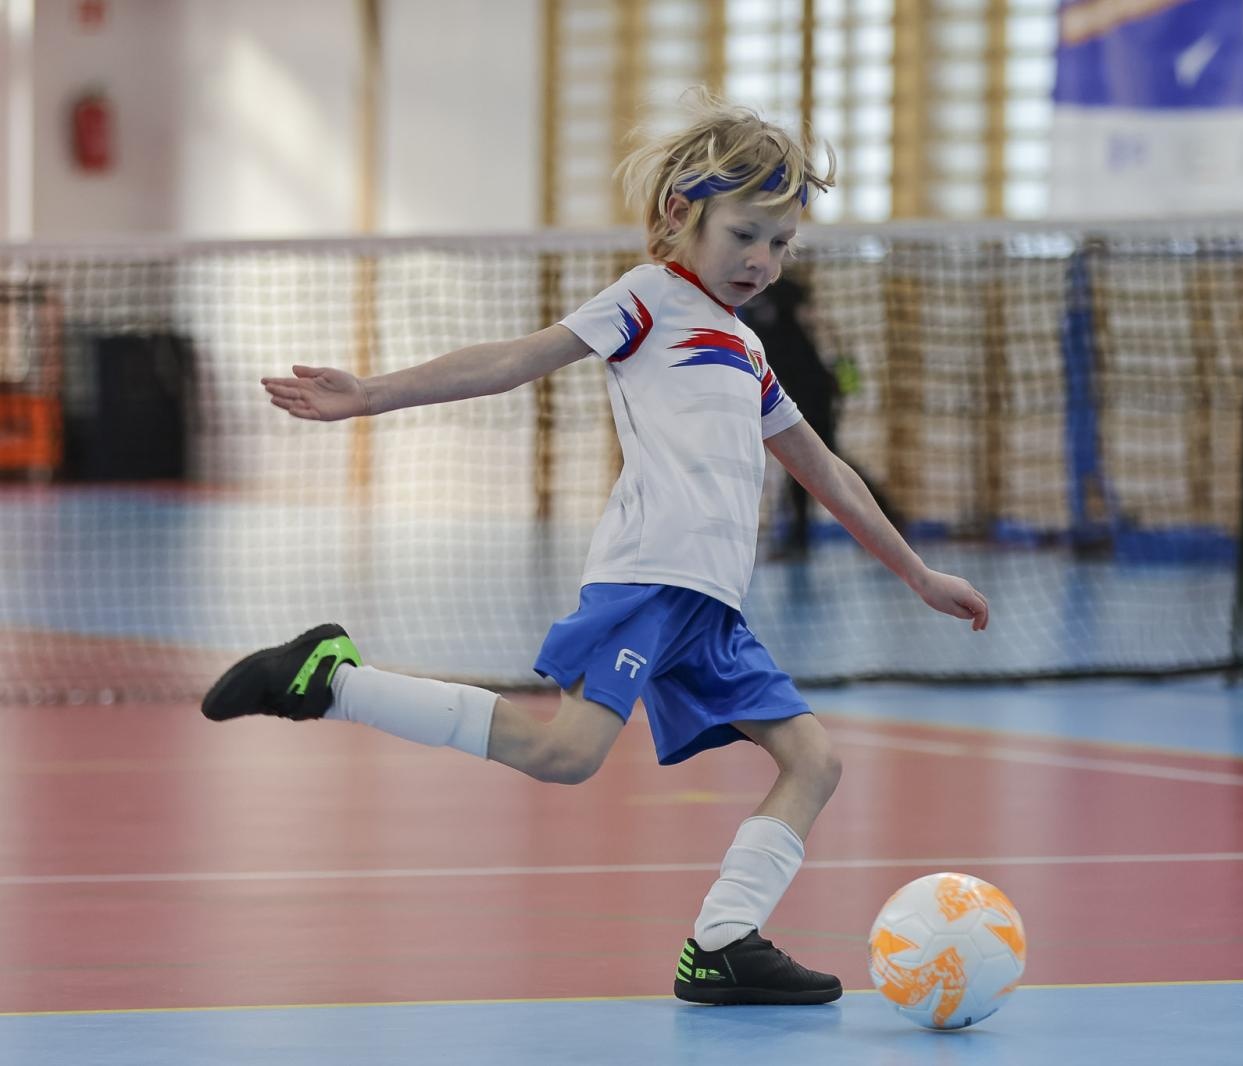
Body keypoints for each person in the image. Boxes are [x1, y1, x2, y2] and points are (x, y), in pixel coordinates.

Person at [199, 89, 990, 1006]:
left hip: (712, 608)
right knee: (566, 755)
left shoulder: (748, 350)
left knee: (815, 761)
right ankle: (329, 679)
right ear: (679, 216)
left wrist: (919, 573)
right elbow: (513, 359)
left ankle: (724, 943)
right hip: (647, 583)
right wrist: (372, 394)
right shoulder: (647, 299)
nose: (763, 261)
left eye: (782, 245)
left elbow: (827, 470)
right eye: (745, 235)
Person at [740, 275, 897, 557]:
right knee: (817, 460)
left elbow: (802, 296)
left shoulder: (778, 293)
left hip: (816, 391)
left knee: (819, 460)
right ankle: (883, 518)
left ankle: (882, 520)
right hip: (794, 393)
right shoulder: (741, 310)